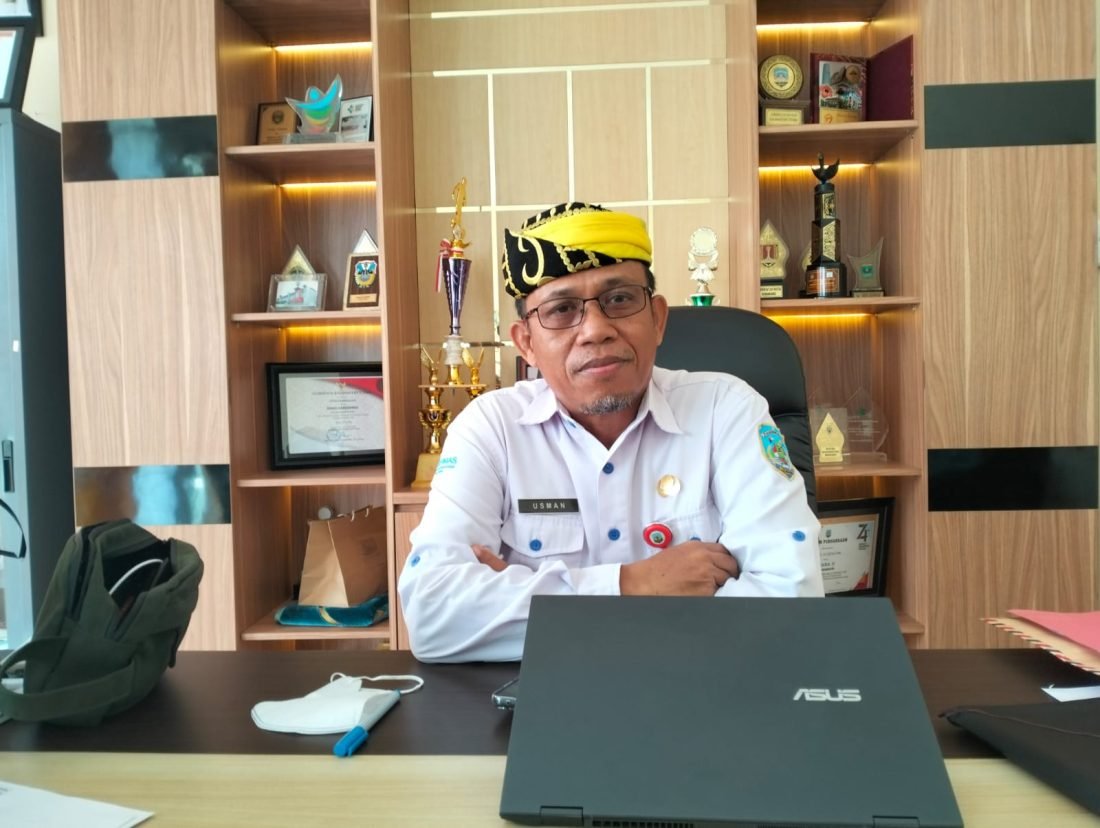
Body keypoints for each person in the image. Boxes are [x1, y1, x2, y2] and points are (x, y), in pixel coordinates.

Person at [398, 202, 823, 662]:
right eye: (561, 309)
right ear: (527, 343)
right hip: (541, 699)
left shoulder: (727, 410)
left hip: (700, 691)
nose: (596, 330)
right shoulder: (491, 429)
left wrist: (530, 607)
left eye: (619, 300)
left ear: (657, 319)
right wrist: (634, 585)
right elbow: (432, 613)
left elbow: (792, 602)